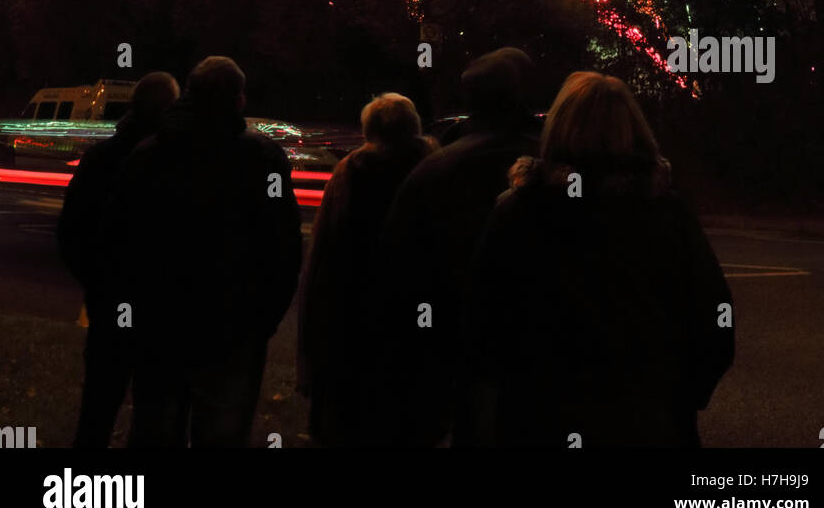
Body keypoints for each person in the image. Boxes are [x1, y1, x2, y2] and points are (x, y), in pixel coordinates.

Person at [459, 70, 735, 448]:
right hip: (647, 421)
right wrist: (678, 399)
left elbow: (481, 325)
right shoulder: (666, 213)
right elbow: (715, 318)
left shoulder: (519, 212)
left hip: (539, 421)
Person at [109, 56, 302, 448]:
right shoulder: (262, 159)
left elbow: (120, 239)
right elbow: (283, 244)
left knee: (155, 431)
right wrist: (264, 318)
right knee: (221, 434)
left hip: (159, 325)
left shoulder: (148, 156)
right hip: (231, 330)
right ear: (238, 100)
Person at [375, 47, 540, 447]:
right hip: (537, 362)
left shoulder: (433, 172)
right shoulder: (552, 168)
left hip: (454, 359)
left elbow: (397, 272)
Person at [297, 92, 435, 447]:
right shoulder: (433, 172)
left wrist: (311, 353)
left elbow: (324, 258)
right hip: (413, 331)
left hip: (351, 327)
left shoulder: (351, 174)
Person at [57, 70, 180, 447]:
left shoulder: (101, 157)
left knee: (98, 405)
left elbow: (71, 229)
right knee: (152, 410)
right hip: (158, 305)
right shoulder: (173, 161)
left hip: (110, 298)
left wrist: (95, 281)